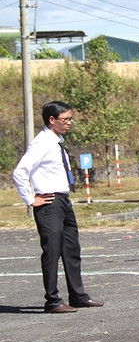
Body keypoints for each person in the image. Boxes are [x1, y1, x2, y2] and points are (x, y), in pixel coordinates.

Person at [12, 101, 104, 313]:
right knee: (52, 251)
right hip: (49, 203)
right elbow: (20, 172)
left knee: (71, 249)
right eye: (65, 119)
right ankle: (52, 300)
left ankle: (78, 295)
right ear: (52, 120)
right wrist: (30, 199)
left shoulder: (56, 142)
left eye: (71, 119)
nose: (69, 123)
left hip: (63, 201)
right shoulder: (42, 143)